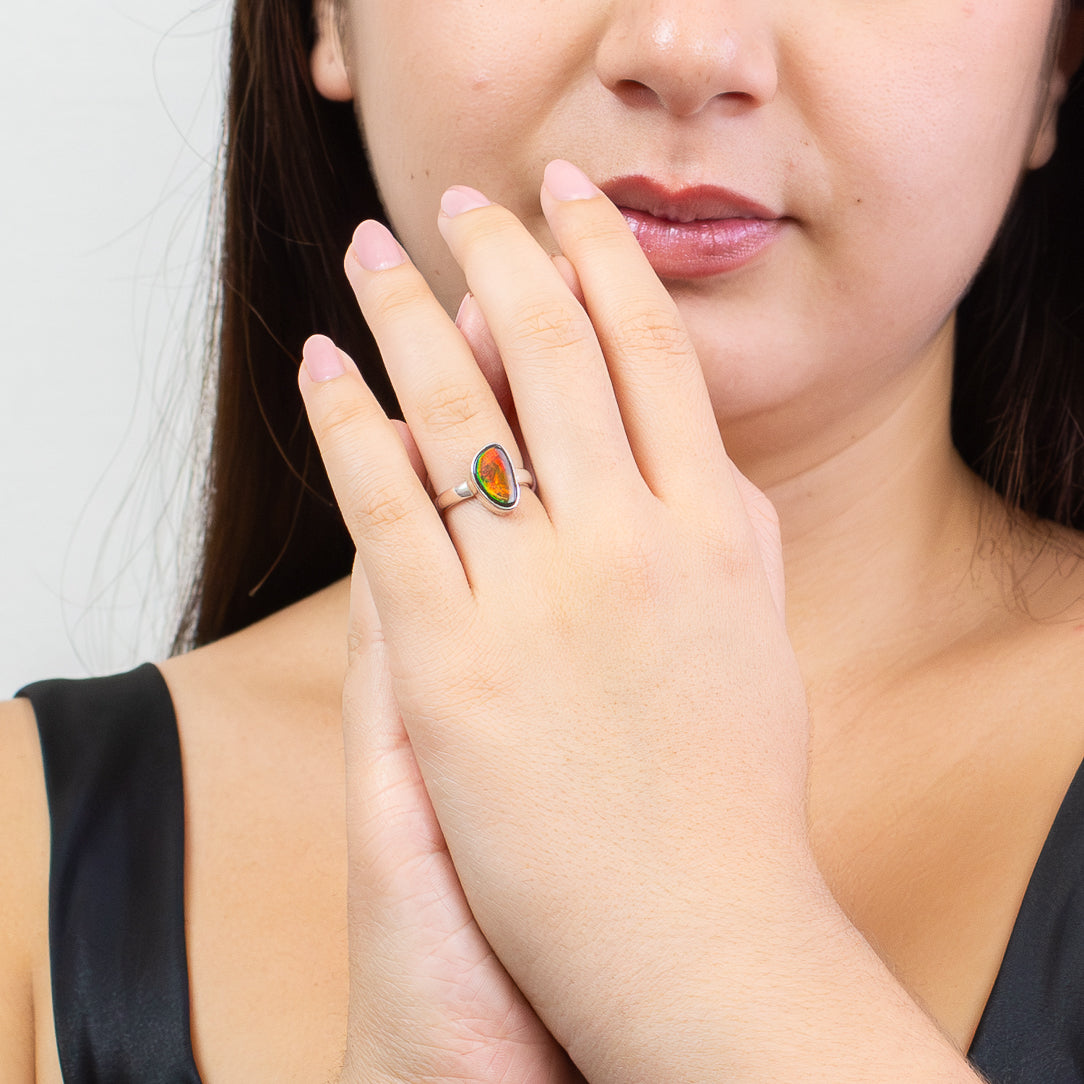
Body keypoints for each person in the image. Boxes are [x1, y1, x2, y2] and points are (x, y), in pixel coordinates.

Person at [2, 0, 1083, 1079]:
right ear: (326, 16)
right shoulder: (26, 855)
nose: (685, 50)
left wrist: (699, 944)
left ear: (1057, 52)